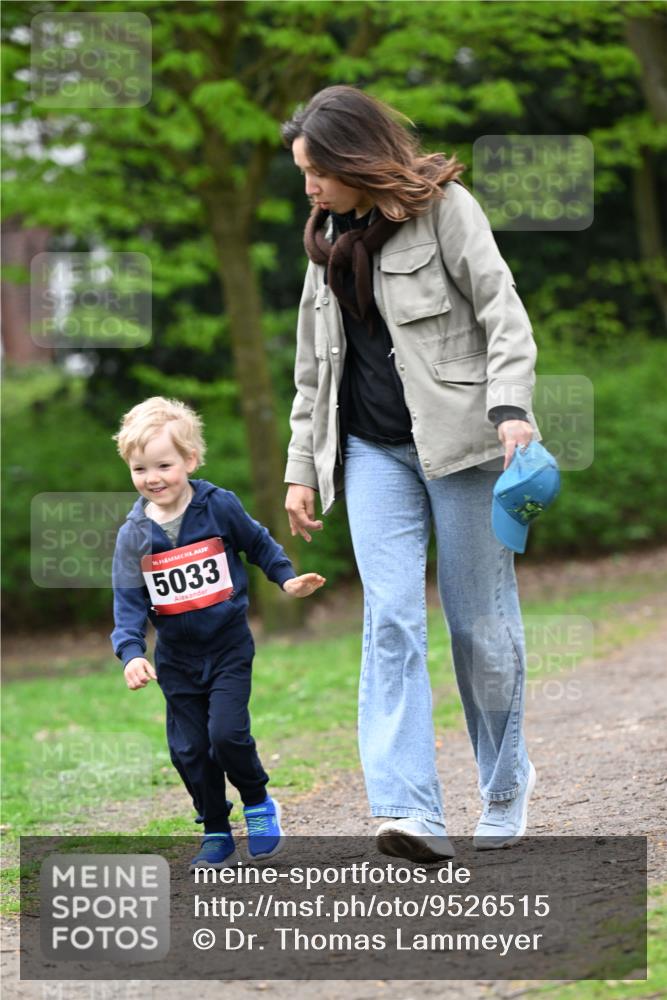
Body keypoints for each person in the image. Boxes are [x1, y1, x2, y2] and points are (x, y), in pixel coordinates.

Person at [281, 86, 540, 862]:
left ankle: (503, 781)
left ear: (354, 158)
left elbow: (502, 311)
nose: (308, 187)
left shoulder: (446, 209)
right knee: (389, 619)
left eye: (316, 171)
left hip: (463, 446)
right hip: (368, 452)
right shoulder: (323, 237)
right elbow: (309, 368)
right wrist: (302, 467)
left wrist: (511, 410)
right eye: (302, 173)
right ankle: (408, 811)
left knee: (477, 627)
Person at [110, 396, 325, 869]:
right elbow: (127, 605)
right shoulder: (133, 535)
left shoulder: (218, 506)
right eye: (140, 469)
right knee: (189, 750)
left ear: (189, 460)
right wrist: (130, 653)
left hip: (227, 646)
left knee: (226, 735)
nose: (153, 478)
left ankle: (258, 802)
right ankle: (215, 828)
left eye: (163, 464)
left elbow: (258, 543)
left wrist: (286, 577)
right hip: (176, 659)